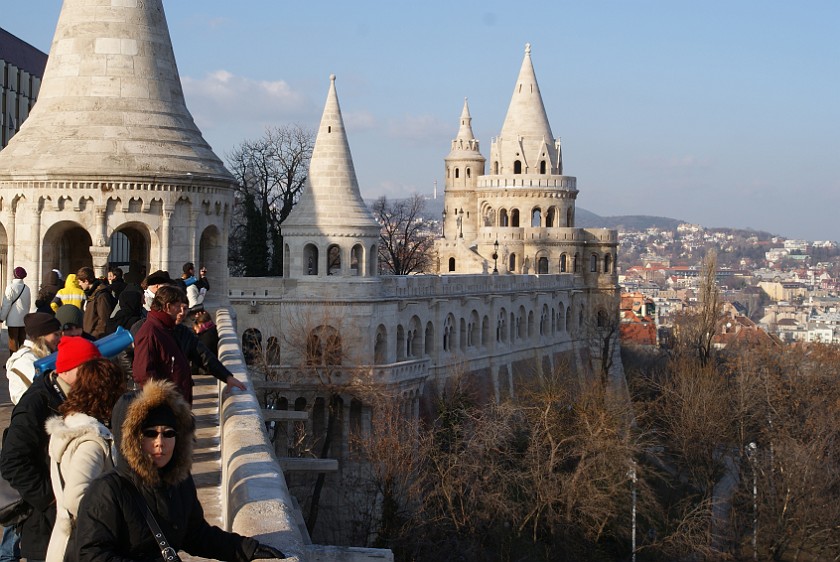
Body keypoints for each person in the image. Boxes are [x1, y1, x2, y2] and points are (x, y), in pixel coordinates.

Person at [67, 380, 286, 561]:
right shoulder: (107, 491)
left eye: (168, 433)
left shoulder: (178, 481)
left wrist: (245, 548)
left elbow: (194, 534)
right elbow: (91, 555)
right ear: (131, 440)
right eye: (150, 434)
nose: (160, 443)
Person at [0, 337, 103, 562]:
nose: (96, 377)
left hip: (75, 526)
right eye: (90, 369)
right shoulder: (35, 403)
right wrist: (52, 499)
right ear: (68, 369)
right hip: (44, 527)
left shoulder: (78, 396)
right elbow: (12, 461)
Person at [45, 359, 125, 562]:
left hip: (67, 543)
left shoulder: (71, 426)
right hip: (82, 547)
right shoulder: (90, 442)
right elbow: (76, 498)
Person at [131, 285, 194, 402]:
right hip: (165, 406)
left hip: (176, 403)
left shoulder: (168, 329)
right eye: (178, 307)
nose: (182, 312)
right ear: (168, 307)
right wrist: (162, 401)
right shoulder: (150, 332)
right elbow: (143, 374)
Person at [5, 313, 62, 405]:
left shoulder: (43, 354)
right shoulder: (25, 360)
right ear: (42, 336)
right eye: (56, 334)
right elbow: (48, 390)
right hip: (32, 415)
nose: (60, 338)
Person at [1, 267, 32, 353]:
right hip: (23, 319)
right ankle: (21, 361)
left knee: (13, 341)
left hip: (13, 320)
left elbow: (6, 305)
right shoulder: (27, 288)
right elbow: (28, 304)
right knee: (22, 341)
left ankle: (13, 362)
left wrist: (1, 317)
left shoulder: (11, 287)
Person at [76, 267, 113, 339]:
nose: (79, 284)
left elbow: (104, 320)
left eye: (80, 281)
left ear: (86, 281)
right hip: (87, 335)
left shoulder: (101, 295)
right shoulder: (90, 294)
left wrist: (94, 336)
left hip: (96, 338)